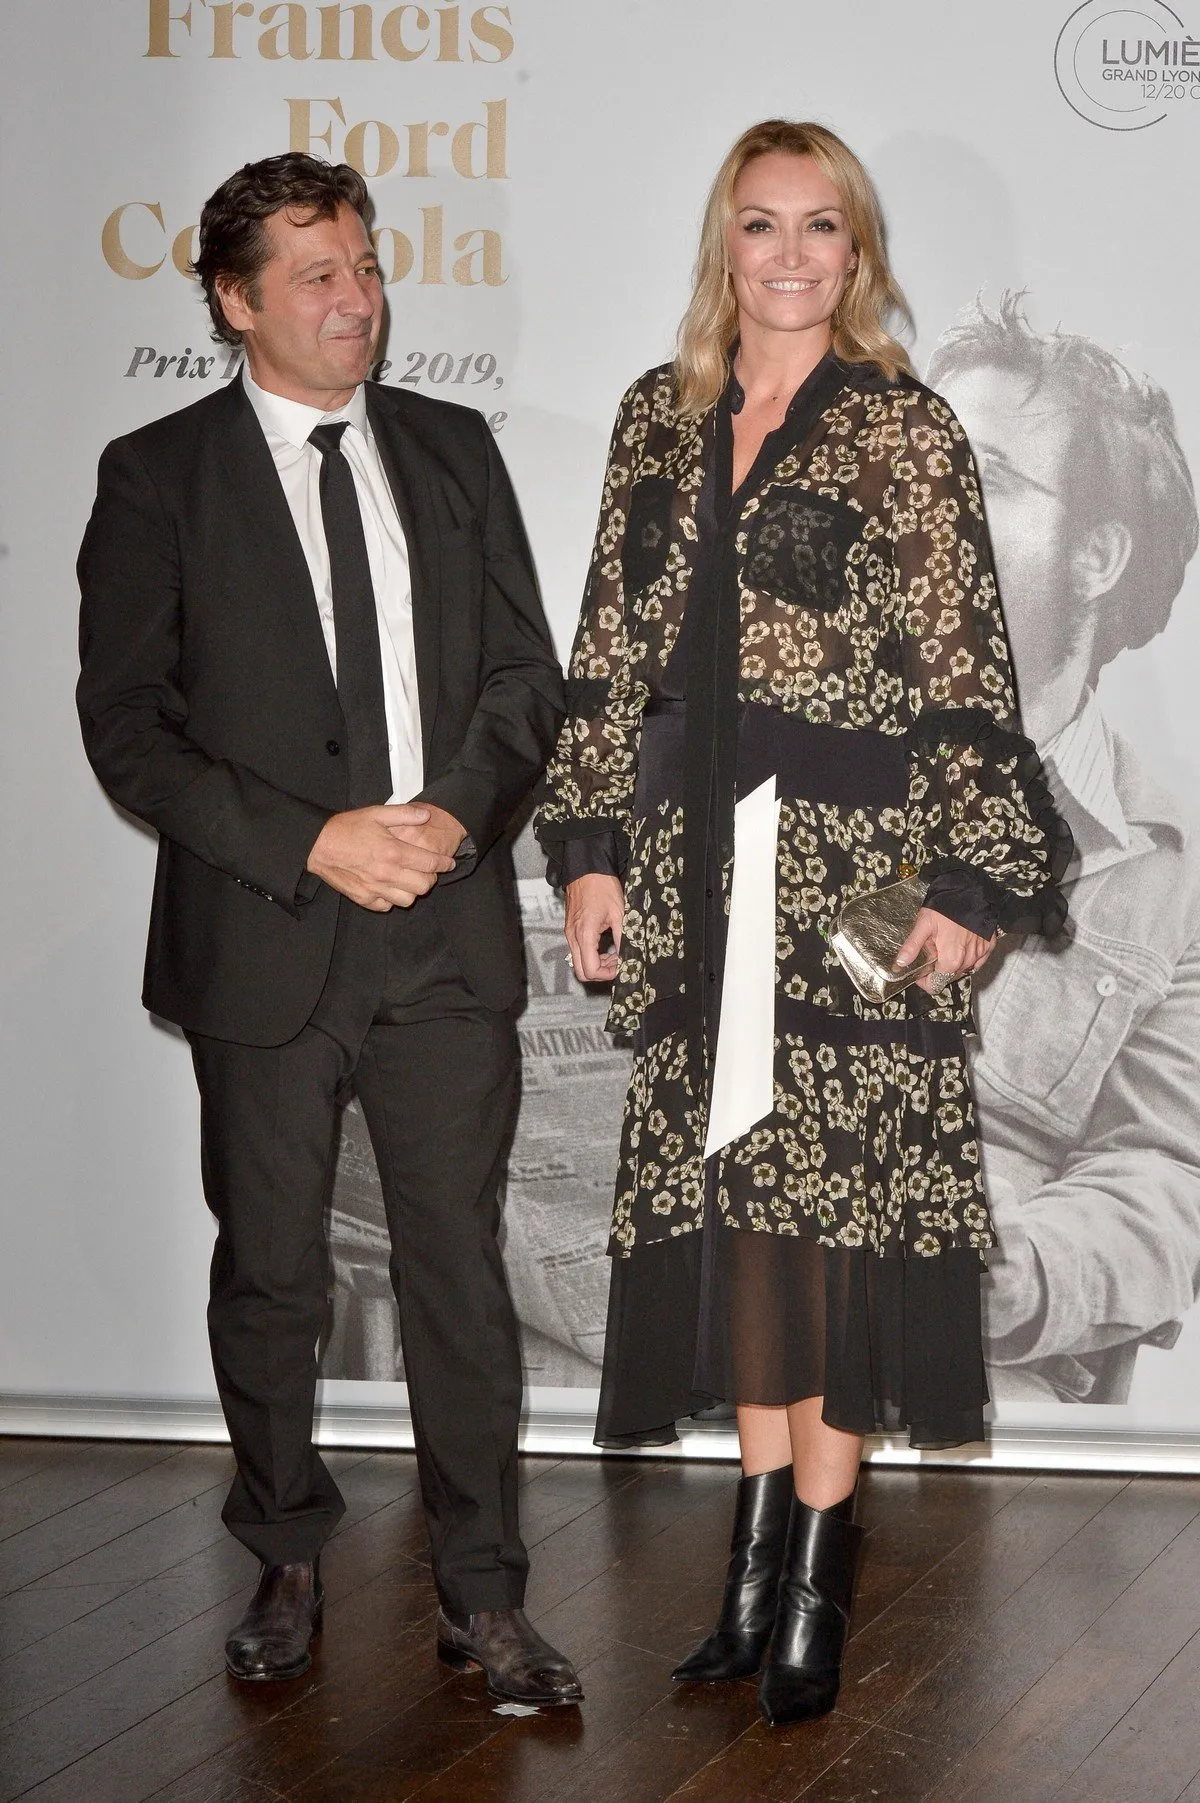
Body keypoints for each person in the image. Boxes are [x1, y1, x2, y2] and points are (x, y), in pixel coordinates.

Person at [536, 120, 1068, 1728]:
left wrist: (969, 887)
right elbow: (608, 656)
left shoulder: (905, 429)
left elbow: (968, 670)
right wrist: (588, 849)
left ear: (857, 251)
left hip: (855, 874)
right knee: (737, 1221)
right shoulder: (655, 417)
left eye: (818, 228)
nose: (787, 255)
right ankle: (752, 1557)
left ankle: (820, 1574)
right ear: (725, 243)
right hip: (698, 875)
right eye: (759, 225)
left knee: (828, 1232)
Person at [77, 153, 580, 1705]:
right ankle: (288, 1557)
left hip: (443, 932)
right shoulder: (156, 473)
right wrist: (313, 839)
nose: (356, 295)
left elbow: (522, 678)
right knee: (276, 1272)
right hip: (264, 932)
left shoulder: (450, 449)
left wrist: (451, 815)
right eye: (314, 271)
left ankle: (483, 1592)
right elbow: (132, 731)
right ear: (235, 302)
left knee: (457, 1271)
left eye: (364, 262)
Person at [927, 296, 1200, 1403]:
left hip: (958, 1371)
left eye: (981, 475)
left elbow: (1163, 1173)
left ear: (1095, 556)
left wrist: (1002, 1277)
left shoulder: (1167, 876)